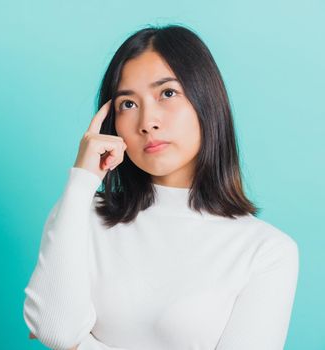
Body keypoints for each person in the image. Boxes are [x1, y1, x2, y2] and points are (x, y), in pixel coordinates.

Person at [22, 24, 299, 350]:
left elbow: (62, 340)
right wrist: (82, 180)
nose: (147, 121)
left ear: (205, 101)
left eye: (167, 93)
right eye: (128, 103)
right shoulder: (80, 213)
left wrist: (82, 346)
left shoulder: (266, 251)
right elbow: (55, 329)